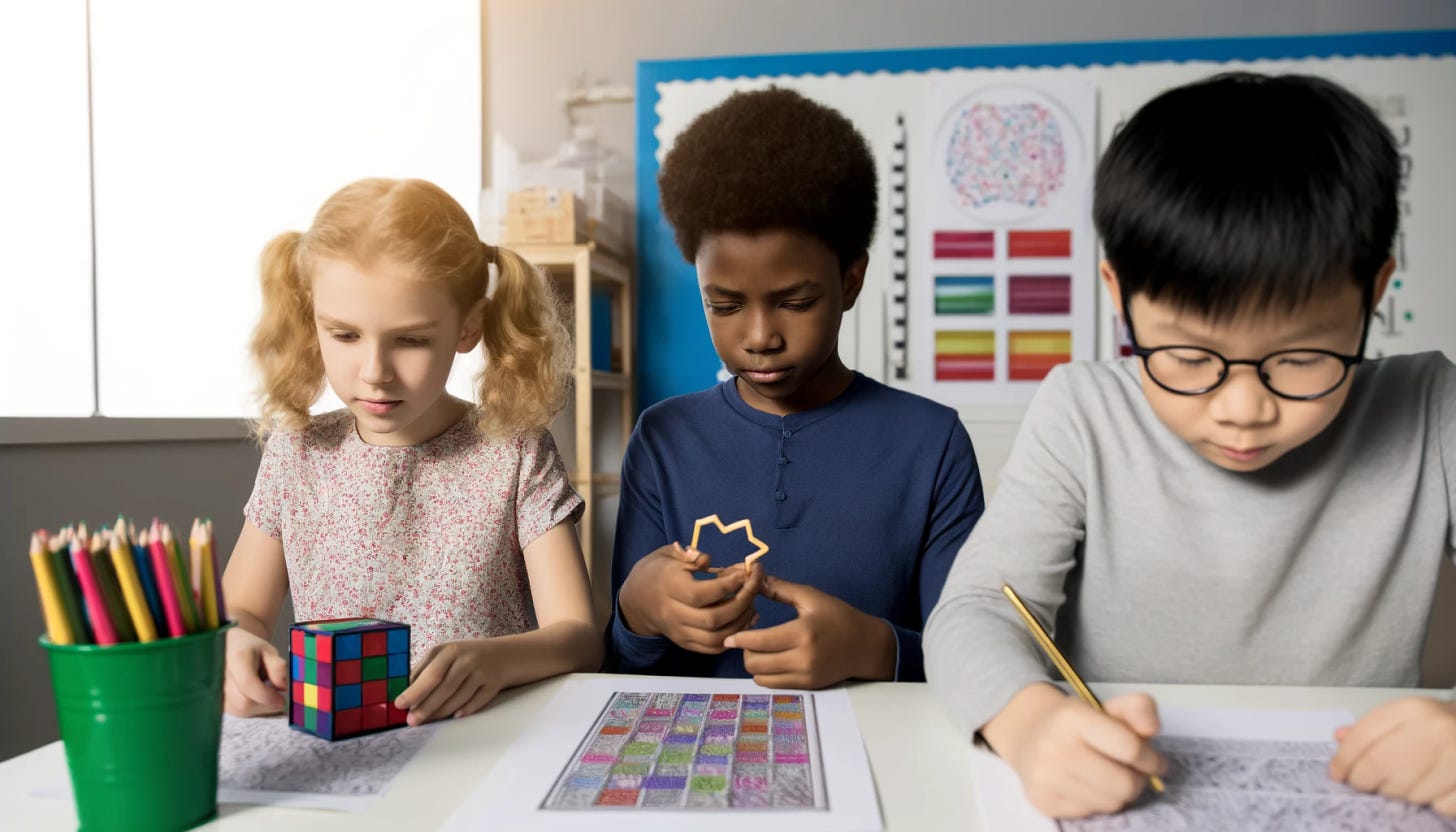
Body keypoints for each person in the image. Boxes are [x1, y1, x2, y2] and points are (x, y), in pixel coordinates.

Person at [924, 72, 1456, 819]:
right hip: (1130, 794)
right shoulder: (1084, 412)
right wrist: (1029, 722)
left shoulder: (1435, 410)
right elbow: (976, 609)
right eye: (1188, 358)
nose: (1243, 411)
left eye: (1302, 360)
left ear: (1374, 293)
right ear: (1119, 294)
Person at [609, 87, 986, 687]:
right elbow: (624, 666)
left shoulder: (931, 443)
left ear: (852, 280)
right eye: (725, 305)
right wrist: (637, 610)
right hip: (698, 759)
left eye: (796, 302)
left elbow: (977, 658)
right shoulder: (663, 439)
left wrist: (876, 650)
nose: (760, 336)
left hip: (876, 754)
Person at [222, 177, 601, 725]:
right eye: (345, 336)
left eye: (412, 340)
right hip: (347, 753)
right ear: (313, 320)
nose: (375, 373)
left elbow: (579, 639)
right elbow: (243, 609)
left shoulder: (515, 454)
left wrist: (496, 659)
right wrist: (236, 643)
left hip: (486, 745)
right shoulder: (296, 452)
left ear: (468, 326)